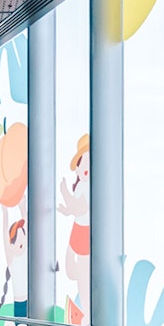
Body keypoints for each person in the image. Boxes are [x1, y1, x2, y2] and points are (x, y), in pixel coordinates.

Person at [57, 134, 90, 313]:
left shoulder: (87, 186)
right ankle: (85, 309)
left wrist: (64, 193)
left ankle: (86, 310)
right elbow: (75, 208)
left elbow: (79, 208)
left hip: (84, 231)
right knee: (77, 272)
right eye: (82, 162)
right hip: (78, 229)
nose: (85, 166)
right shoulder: (81, 186)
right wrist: (67, 207)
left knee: (83, 275)